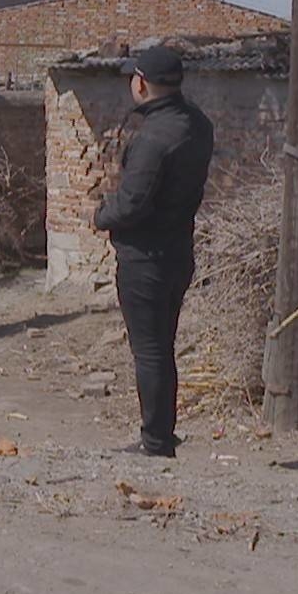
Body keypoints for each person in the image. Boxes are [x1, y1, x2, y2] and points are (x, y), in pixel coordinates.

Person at [92, 45, 214, 458]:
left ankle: (156, 442)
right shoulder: (197, 124)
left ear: (141, 83)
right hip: (179, 251)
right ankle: (161, 434)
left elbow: (132, 203)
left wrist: (101, 215)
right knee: (163, 347)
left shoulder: (154, 139)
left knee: (149, 352)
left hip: (146, 258)